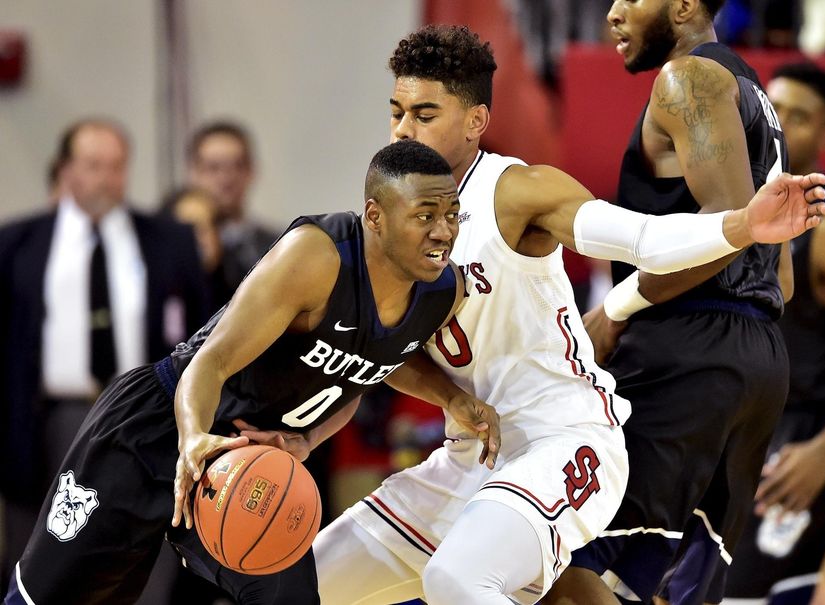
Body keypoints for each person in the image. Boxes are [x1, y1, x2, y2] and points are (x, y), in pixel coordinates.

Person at [312, 25, 825, 605]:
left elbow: (640, 239)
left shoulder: (516, 191)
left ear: (476, 121)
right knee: (300, 584)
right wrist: (298, 437)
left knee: (457, 581)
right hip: (471, 456)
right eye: (397, 112)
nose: (404, 130)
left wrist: (740, 226)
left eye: (425, 114)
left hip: (563, 441)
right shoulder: (385, 226)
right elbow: (376, 354)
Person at [3, 140, 502, 604]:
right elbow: (210, 362)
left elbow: (372, 368)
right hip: (159, 426)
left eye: (452, 214)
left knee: (291, 599)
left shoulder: (440, 292)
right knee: (48, 597)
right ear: (375, 215)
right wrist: (194, 438)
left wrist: (448, 399)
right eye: (426, 215)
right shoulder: (316, 257)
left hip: (249, 466)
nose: (444, 231)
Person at [545, 1, 799, 604]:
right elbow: (781, 274)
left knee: (560, 561)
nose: (611, 13)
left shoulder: (686, 78)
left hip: (687, 350)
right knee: (676, 587)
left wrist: (617, 307)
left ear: (683, 5)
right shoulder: (751, 93)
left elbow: (728, 233)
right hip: (759, 356)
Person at [0, 119, 210, 594]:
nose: (106, 179)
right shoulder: (18, 243)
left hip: (143, 416)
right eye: (93, 166)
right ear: (68, 170)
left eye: (116, 167)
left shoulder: (169, 242)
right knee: (42, 556)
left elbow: (205, 335)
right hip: (50, 418)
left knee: (139, 552)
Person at [722, 62, 825, 605]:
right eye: (775, 110)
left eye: (801, 117)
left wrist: (824, 452)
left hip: (802, 443)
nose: (782, 125)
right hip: (743, 431)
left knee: (750, 596)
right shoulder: (736, 209)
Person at [186, 120, 279, 295]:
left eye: (237, 166)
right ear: (193, 173)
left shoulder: (278, 246)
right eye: (213, 168)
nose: (226, 178)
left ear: (252, 171)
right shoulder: (174, 250)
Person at [161, 186, 235, 309]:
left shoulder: (239, 292)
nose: (204, 236)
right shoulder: (160, 304)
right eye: (191, 228)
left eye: (211, 224)